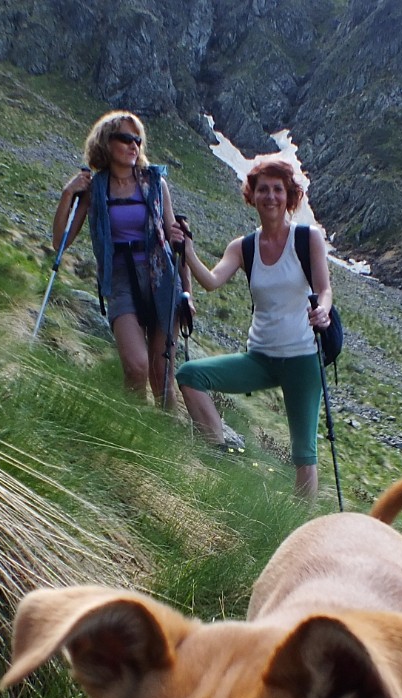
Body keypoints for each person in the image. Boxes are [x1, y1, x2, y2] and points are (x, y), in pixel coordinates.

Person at [175, 156, 333, 500]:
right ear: (253, 195)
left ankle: (297, 530)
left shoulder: (308, 239)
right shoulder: (243, 247)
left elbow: (324, 289)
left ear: (289, 196)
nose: (271, 196)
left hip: (302, 358)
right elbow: (213, 281)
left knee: (304, 456)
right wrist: (187, 250)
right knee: (190, 375)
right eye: (264, 189)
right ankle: (219, 453)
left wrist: (322, 310)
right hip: (260, 357)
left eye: (278, 190)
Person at [50, 111, 188, 404]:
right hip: (120, 277)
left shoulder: (156, 184)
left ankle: (166, 443)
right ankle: (133, 430)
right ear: (106, 142)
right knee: (137, 366)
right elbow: (59, 242)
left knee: (162, 373)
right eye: (125, 138)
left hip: (161, 277)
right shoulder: (94, 189)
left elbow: (174, 241)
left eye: (137, 139)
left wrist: (186, 292)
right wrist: (67, 193)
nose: (133, 145)